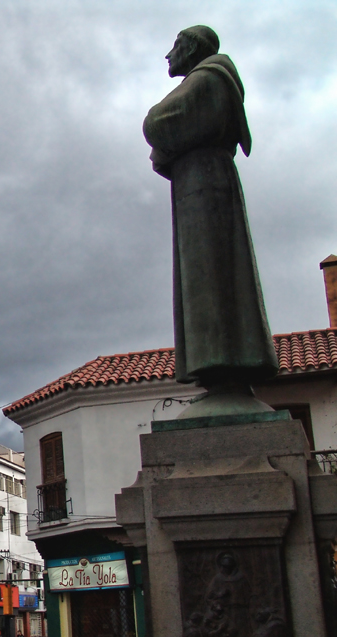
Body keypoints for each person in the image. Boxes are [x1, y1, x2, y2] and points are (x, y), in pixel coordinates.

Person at [143, 26, 278, 391]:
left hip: (204, 186)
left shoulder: (207, 80)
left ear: (191, 48)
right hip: (197, 183)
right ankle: (217, 363)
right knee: (205, 273)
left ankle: (222, 363)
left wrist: (163, 143)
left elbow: (157, 124)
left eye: (174, 46)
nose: (168, 55)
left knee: (211, 272)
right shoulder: (208, 81)